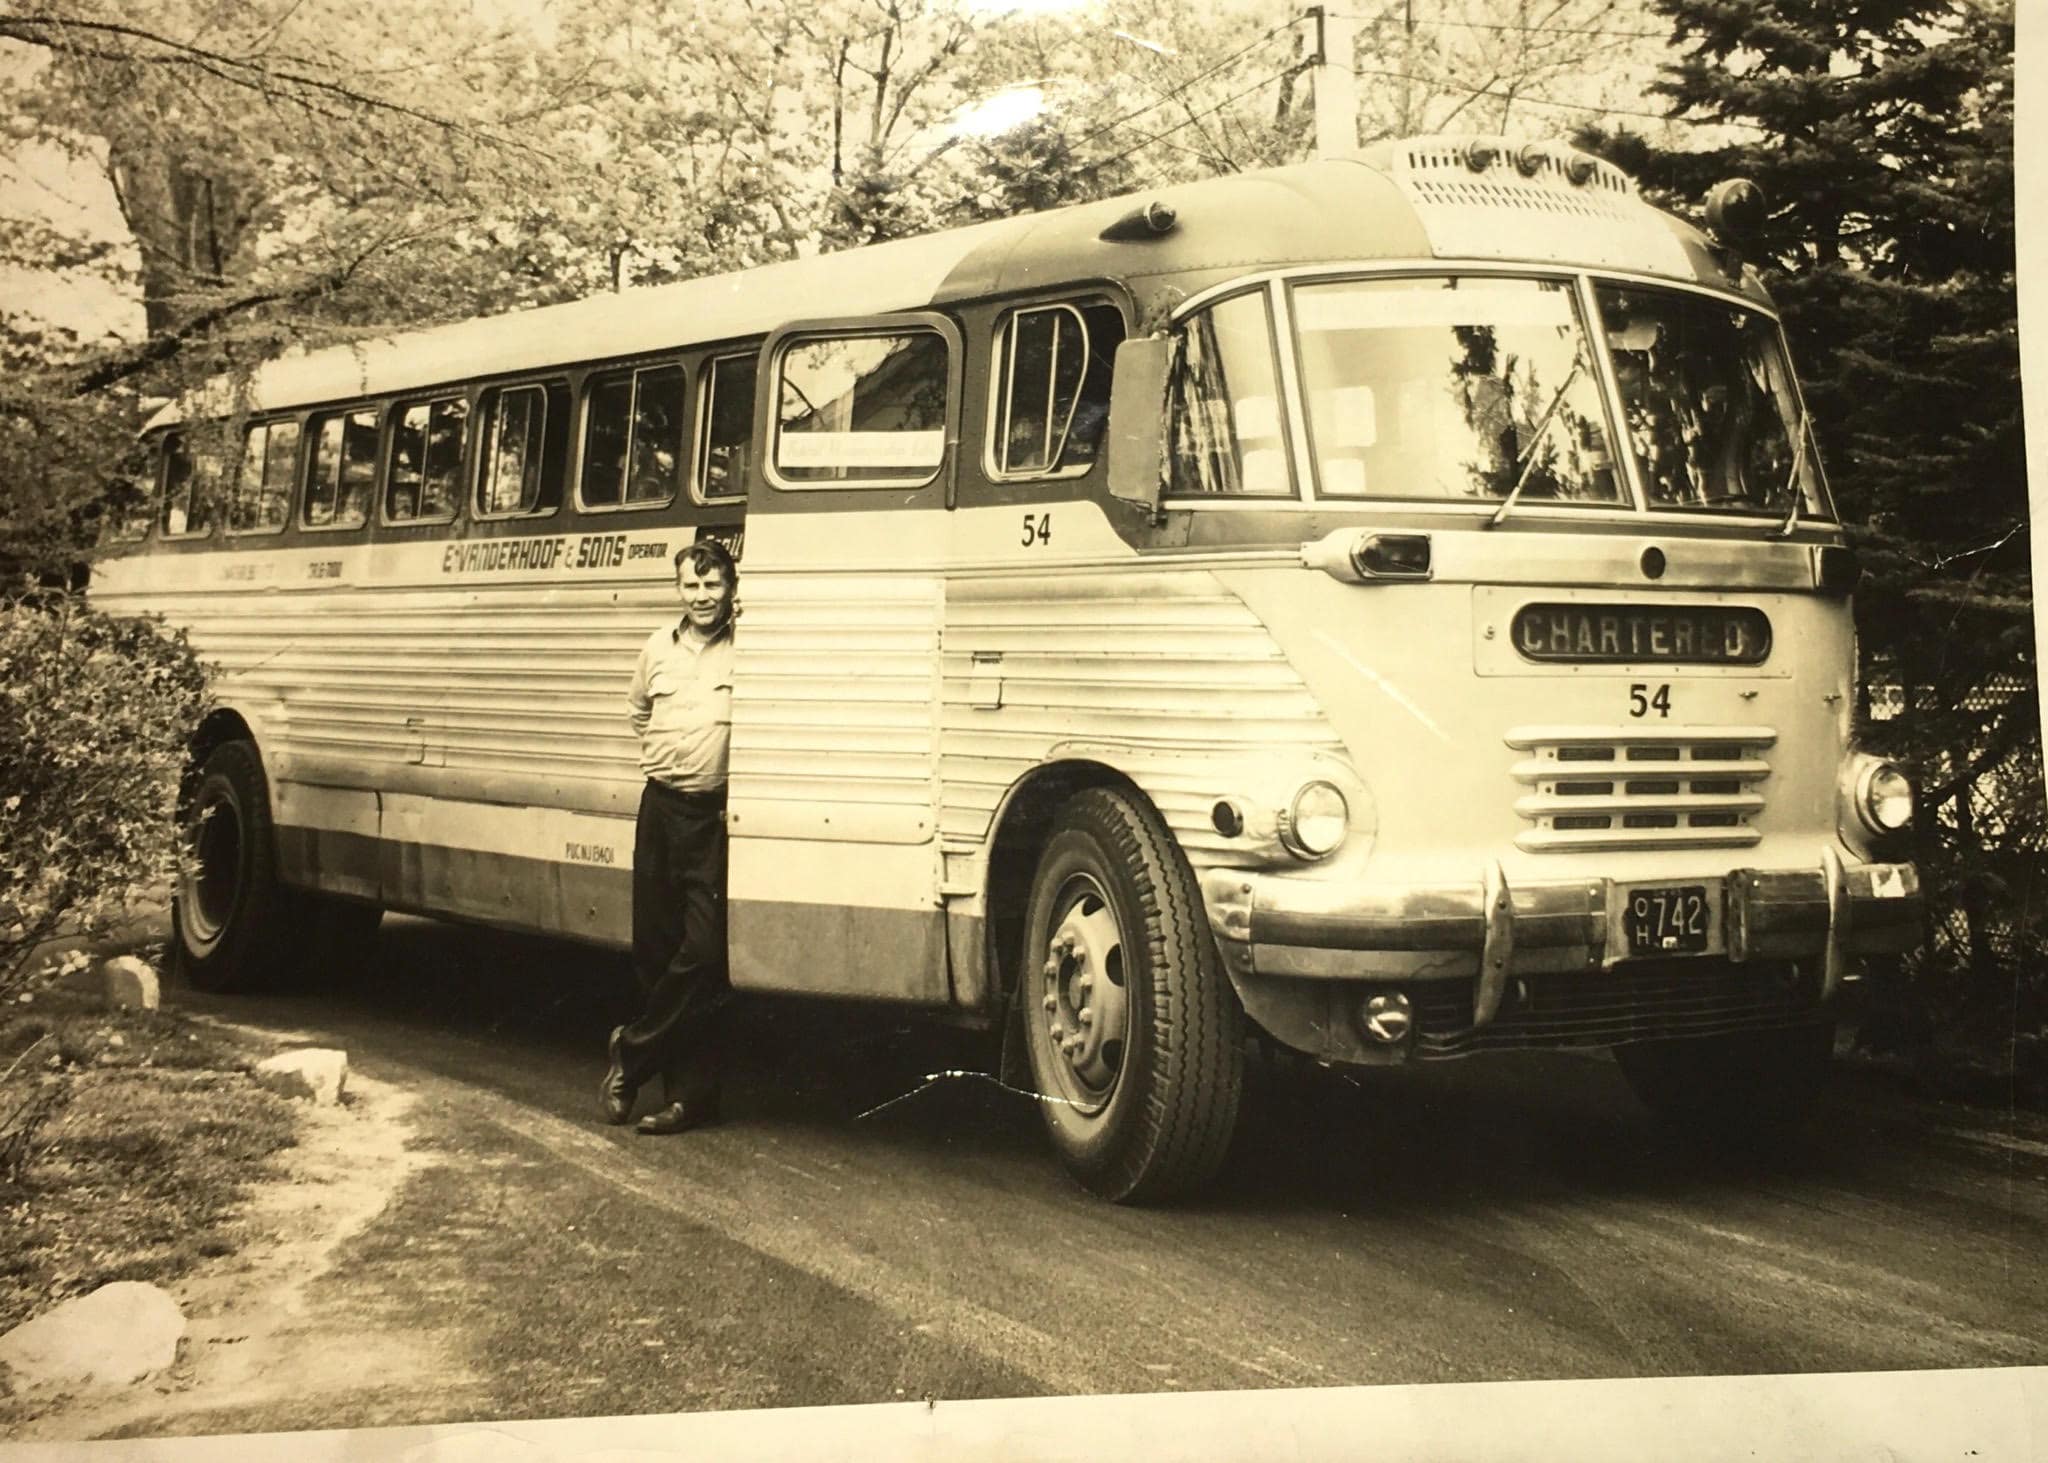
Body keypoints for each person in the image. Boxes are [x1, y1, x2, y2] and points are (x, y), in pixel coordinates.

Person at [601, 539, 737, 1135]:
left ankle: (630, 1055)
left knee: (704, 955)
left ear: (730, 587)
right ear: (678, 589)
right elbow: (638, 712)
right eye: (691, 586)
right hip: (658, 807)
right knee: (654, 954)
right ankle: (684, 1099)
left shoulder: (749, 651)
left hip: (711, 817)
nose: (701, 597)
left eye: (712, 586)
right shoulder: (657, 647)